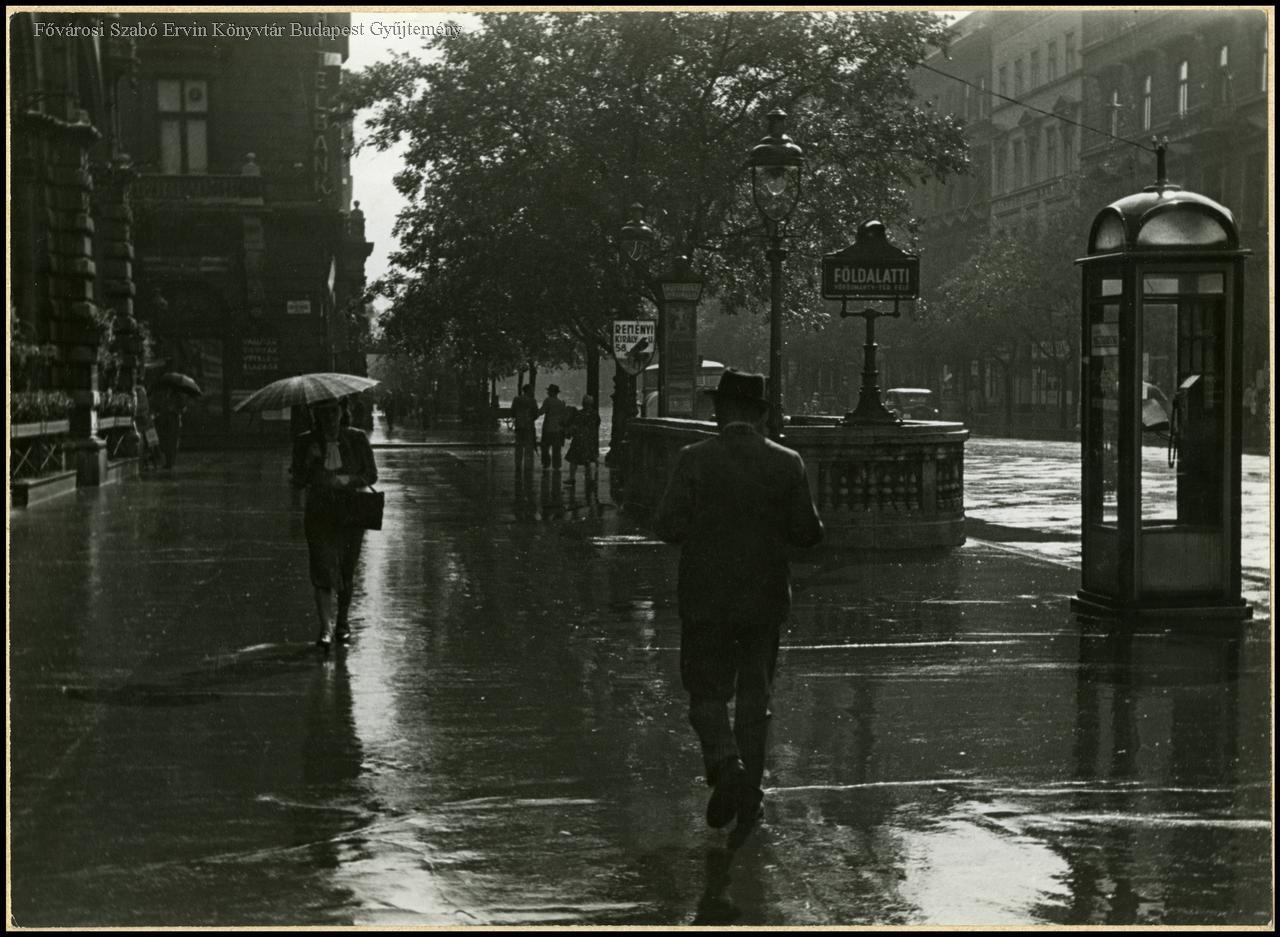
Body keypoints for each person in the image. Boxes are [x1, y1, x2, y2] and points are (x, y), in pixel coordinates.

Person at [655, 368, 823, 836]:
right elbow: (808, 532)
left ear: (719, 412)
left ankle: (727, 763)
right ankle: (749, 798)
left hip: (706, 597)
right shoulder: (787, 462)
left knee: (706, 694)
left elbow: (667, 526)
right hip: (764, 599)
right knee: (755, 699)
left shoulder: (693, 460)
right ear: (761, 415)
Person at [290, 396, 379, 651]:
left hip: (351, 512)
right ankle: (325, 628)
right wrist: (309, 461)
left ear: (342, 411)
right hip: (319, 512)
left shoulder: (357, 439)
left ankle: (342, 621)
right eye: (323, 413)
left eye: (333, 411)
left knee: (346, 570)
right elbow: (297, 481)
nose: (329, 418)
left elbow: (371, 474)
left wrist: (348, 480)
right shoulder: (305, 442)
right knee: (321, 568)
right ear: (316, 416)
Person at [564, 394, 601, 486]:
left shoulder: (579, 414)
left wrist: (569, 433)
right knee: (588, 459)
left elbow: (574, 425)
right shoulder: (595, 414)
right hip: (589, 438)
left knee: (573, 459)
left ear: (583, 403)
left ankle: (572, 478)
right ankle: (590, 478)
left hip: (579, 438)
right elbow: (597, 425)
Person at [153, 384, 188, 470]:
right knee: (166, 440)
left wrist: (175, 410)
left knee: (172, 441)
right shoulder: (166, 395)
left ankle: (170, 462)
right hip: (165, 420)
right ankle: (168, 461)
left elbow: (183, 408)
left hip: (174, 420)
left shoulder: (178, 396)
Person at [538, 383, 568, 469]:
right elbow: (564, 417)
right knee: (556, 449)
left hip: (548, 428)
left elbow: (541, 412)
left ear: (551, 392)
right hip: (558, 429)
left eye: (548, 391)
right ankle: (557, 465)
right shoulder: (561, 403)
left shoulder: (548, 401)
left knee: (545, 447)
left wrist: (534, 413)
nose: (547, 392)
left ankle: (546, 463)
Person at [512, 383, 539, 476]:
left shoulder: (516, 399)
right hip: (529, 426)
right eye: (532, 390)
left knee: (518, 446)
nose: (533, 391)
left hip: (519, 425)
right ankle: (528, 465)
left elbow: (513, 411)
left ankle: (518, 464)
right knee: (528, 447)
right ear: (528, 390)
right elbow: (536, 414)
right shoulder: (532, 401)